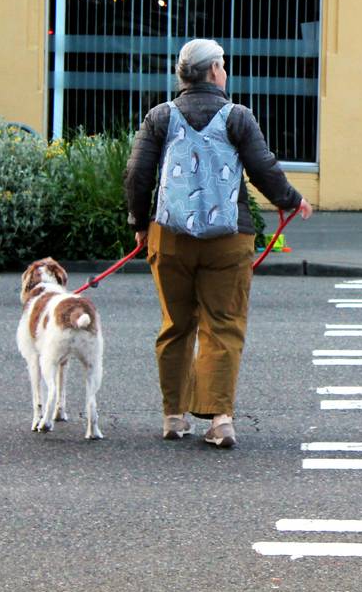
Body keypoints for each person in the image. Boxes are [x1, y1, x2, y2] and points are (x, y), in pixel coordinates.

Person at [124, 38, 312, 448]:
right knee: (222, 325)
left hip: (170, 236)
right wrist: (292, 200)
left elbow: (138, 173)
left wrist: (140, 223)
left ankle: (174, 417)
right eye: (223, 65)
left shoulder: (160, 116)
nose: (225, 72)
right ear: (213, 72)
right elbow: (264, 169)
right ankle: (220, 420)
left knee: (176, 325)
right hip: (228, 239)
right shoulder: (237, 117)